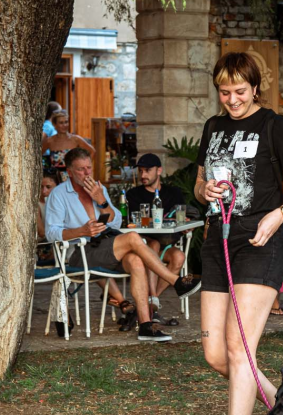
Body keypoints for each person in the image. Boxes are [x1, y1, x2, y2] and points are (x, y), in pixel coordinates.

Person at [194, 52, 283, 415]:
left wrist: (278, 215)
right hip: (218, 240)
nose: (231, 100)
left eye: (239, 91)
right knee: (215, 354)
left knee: (239, 349)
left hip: (262, 241)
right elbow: (198, 183)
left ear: (255, 88)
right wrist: (205, 189)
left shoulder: (274, 125)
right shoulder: (213, 127)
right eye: (224, 92)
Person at [44, 148, 200, 342]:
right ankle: (176, 281)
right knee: (134, 237)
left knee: (135, 260)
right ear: (69, 171)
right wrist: (81, 231)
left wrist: (101, 200)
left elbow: (116, 222)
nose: (87, 174)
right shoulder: (58, 195)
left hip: (105, 247)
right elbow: (51, 233)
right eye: (81, 169)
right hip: (79, 253)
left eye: (89, 168)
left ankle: (145, 325)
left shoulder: (98, 189)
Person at [125, 153, 187, 308]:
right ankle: (152, 296)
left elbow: (182, 218)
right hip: (143, 246)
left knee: (179, 256)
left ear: (159, 171)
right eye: (140, 171)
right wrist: (167, 221)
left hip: (167, 243)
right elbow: (136, 221)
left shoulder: (174, 193)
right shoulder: (134, 194)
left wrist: (185, 225)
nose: (143, 175)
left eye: (147, 170)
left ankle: (153, 299)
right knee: (153, 244)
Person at [42, 110, 94, 178]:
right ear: (54, 125)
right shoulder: (49, 141)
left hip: (73, 177)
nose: (64, 125)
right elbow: (38, 155)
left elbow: (92, 151)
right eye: (61, 123)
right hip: (56, 178)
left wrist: (84, 167)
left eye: (66, 122)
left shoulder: (76, 139)